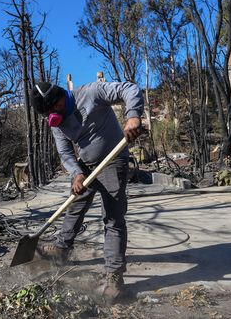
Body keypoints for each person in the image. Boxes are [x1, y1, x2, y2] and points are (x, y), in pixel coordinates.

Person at [30, 80, 144, 301]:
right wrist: (76, 173)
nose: (54, 113)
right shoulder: (57, 122)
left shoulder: (91, 92)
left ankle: (114, 276)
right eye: (49, 113)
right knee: (75, 205)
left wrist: (133, 116)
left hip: (113, 161)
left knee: (113, 218)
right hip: (86, 166)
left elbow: (129, 88)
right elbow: (64, 152)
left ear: (61, 96)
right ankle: (62, 250)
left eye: (55, 107)